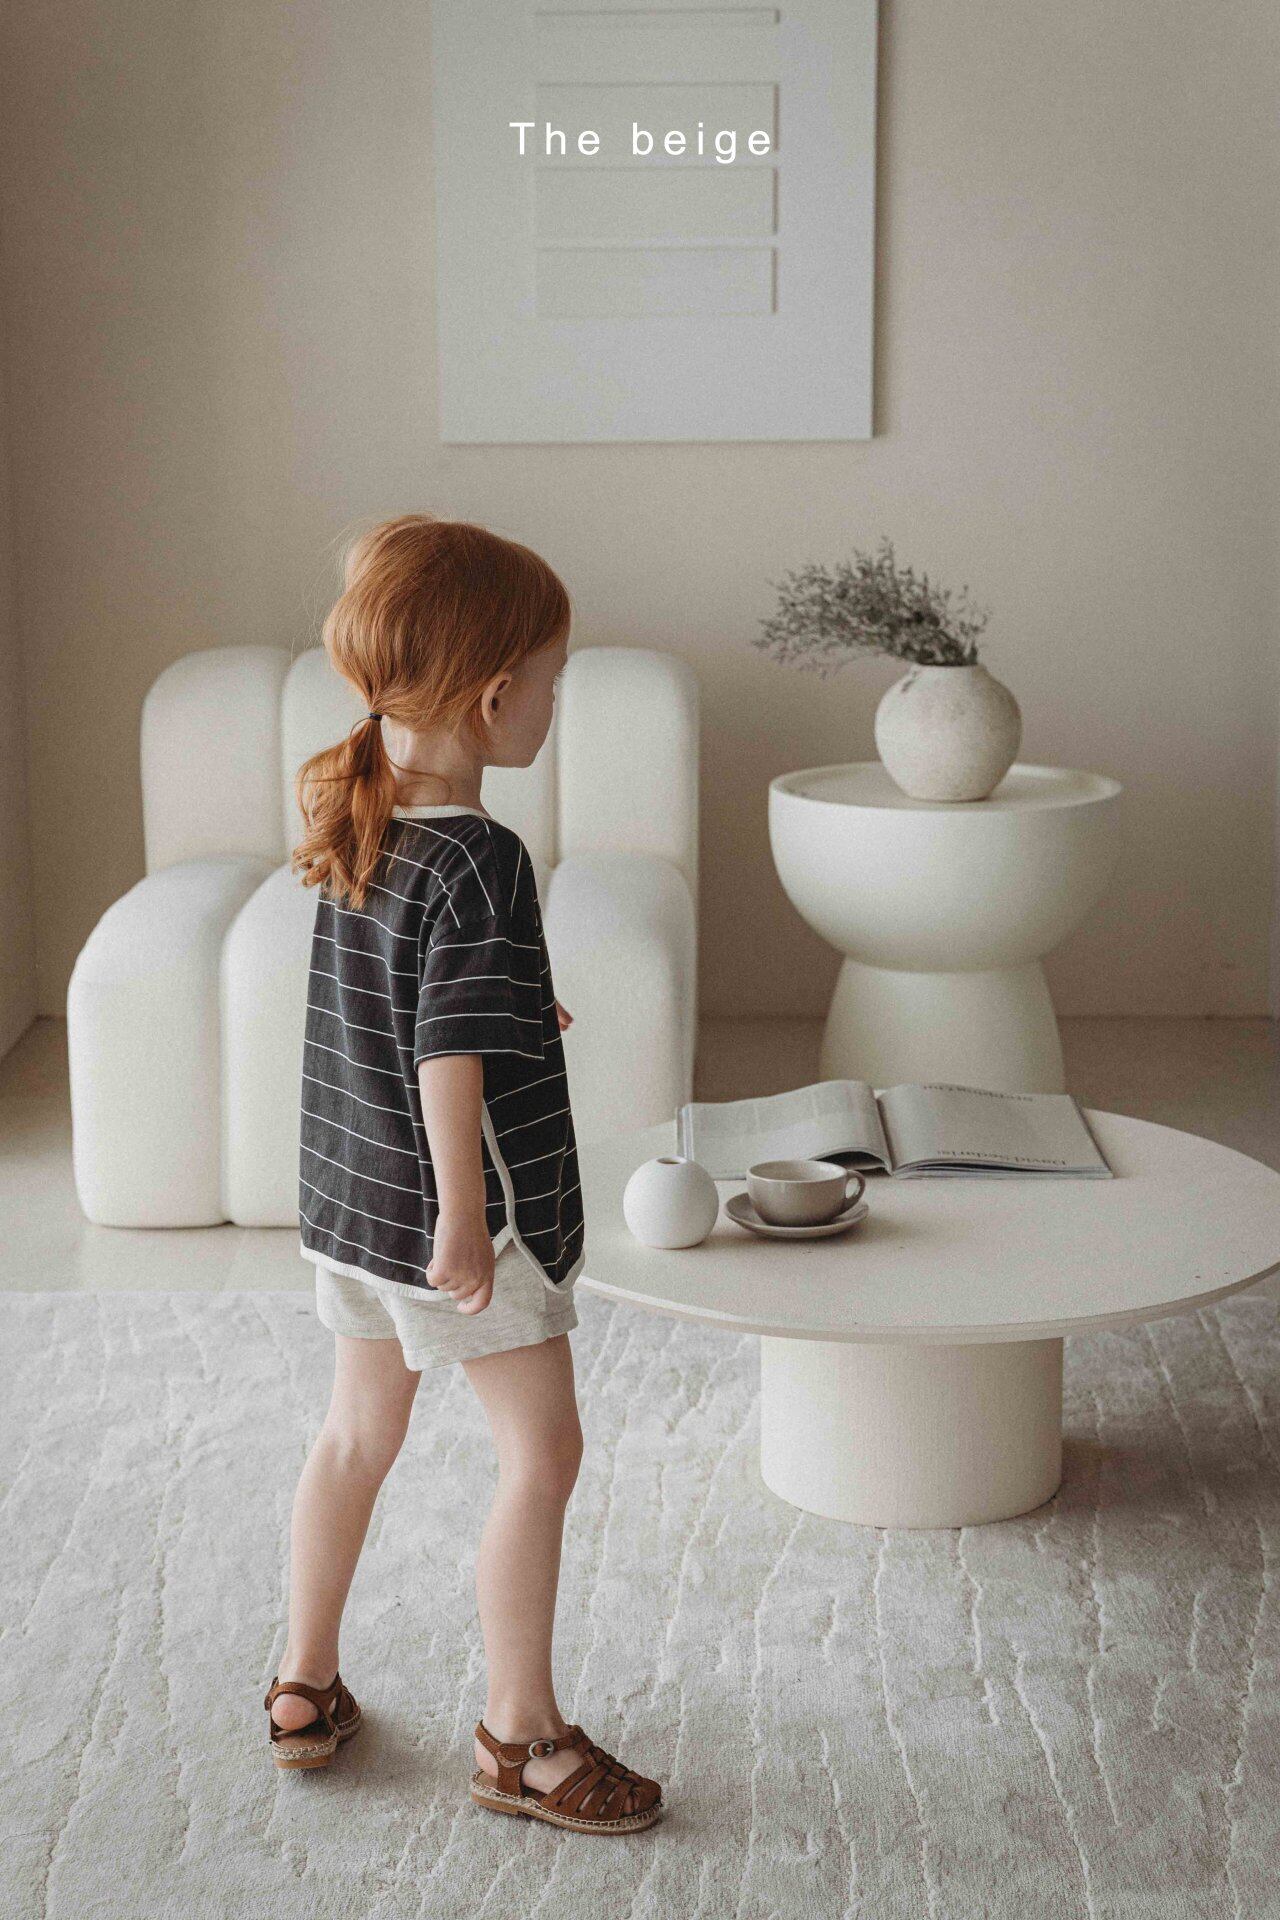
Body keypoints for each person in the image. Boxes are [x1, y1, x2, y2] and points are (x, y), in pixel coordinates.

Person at [261, 516, 662, 1834]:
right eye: (553, 678)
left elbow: (400, 1007)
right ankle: (520, 1737)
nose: (553, 701)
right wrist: (469, 1219)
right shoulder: (483, 855)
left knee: (354, 1435)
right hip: (457, 1220)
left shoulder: (364, 812)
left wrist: (516, 1007)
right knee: (544, 1451)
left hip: (351, 1205)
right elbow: (443, 1055)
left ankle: (302, 1686)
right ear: (495, 698)